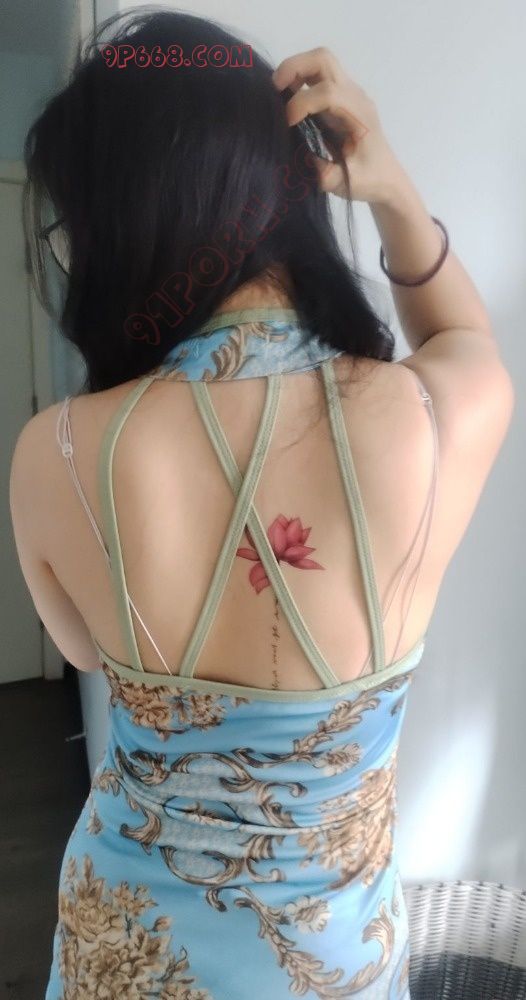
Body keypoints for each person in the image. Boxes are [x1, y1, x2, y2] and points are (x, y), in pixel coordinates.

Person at [9, 9, 514, 999]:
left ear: (124, 224)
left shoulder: (59, 451)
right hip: (333, 964)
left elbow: (80, 649)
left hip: (130, 950)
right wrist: (393, 190)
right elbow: (465, 340)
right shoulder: (432, 416)